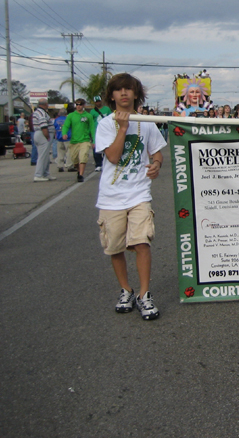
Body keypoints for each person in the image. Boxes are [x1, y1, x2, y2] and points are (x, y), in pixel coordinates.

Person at [95, 73, 167, 321]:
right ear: (112, 95)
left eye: (129, 89)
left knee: (141, 242)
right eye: (118, 90)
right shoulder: (105, 124)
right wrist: (123, 127)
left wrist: (156, 164)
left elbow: (156, 152)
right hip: (111, 197)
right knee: (115, 246)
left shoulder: (147, 122)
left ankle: (144, 294)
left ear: (136, 94)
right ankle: (126, 290)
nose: (124, 93)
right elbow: (113, 157)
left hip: (139, 194)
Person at [62, 99, 97, 183]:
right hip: (74, 141)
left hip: (85, 140)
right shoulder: (71, 115)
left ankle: (81, 175)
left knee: (83, 157)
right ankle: (78, 170)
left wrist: (94, 141)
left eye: (80, 104)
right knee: (75, 160)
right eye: (77, 104)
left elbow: (92, 128)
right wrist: (64, 133)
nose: (78, 106)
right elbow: (66, 125)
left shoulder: (88, 116)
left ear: (83, 105)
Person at [32, 98, 55, 182]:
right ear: (45, 104)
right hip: (42, 135)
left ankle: (46, 173)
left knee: (45, 156)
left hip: (39, 135)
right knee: (42, 156)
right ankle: (38, 175)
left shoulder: (38, 112)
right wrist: (47, 136)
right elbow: (43, 125)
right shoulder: (41, 113)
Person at [90, 95, 113, 170]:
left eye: (99, 101)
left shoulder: (107, 109)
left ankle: (104, 163)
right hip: (96, 131)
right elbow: (91, 122)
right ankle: (98, 164)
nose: (98, 103)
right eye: (96, 102)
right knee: (96, 148)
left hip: (107, 130)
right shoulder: (92, 112)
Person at [54, 106, 71, 172]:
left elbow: (55, 127)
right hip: (67, 138)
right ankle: (69, 165)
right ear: (66, 113)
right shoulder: (68, 119)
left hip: (59, 138)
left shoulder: (56, 120)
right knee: (68, 152)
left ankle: (60, 165)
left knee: (60, 152)